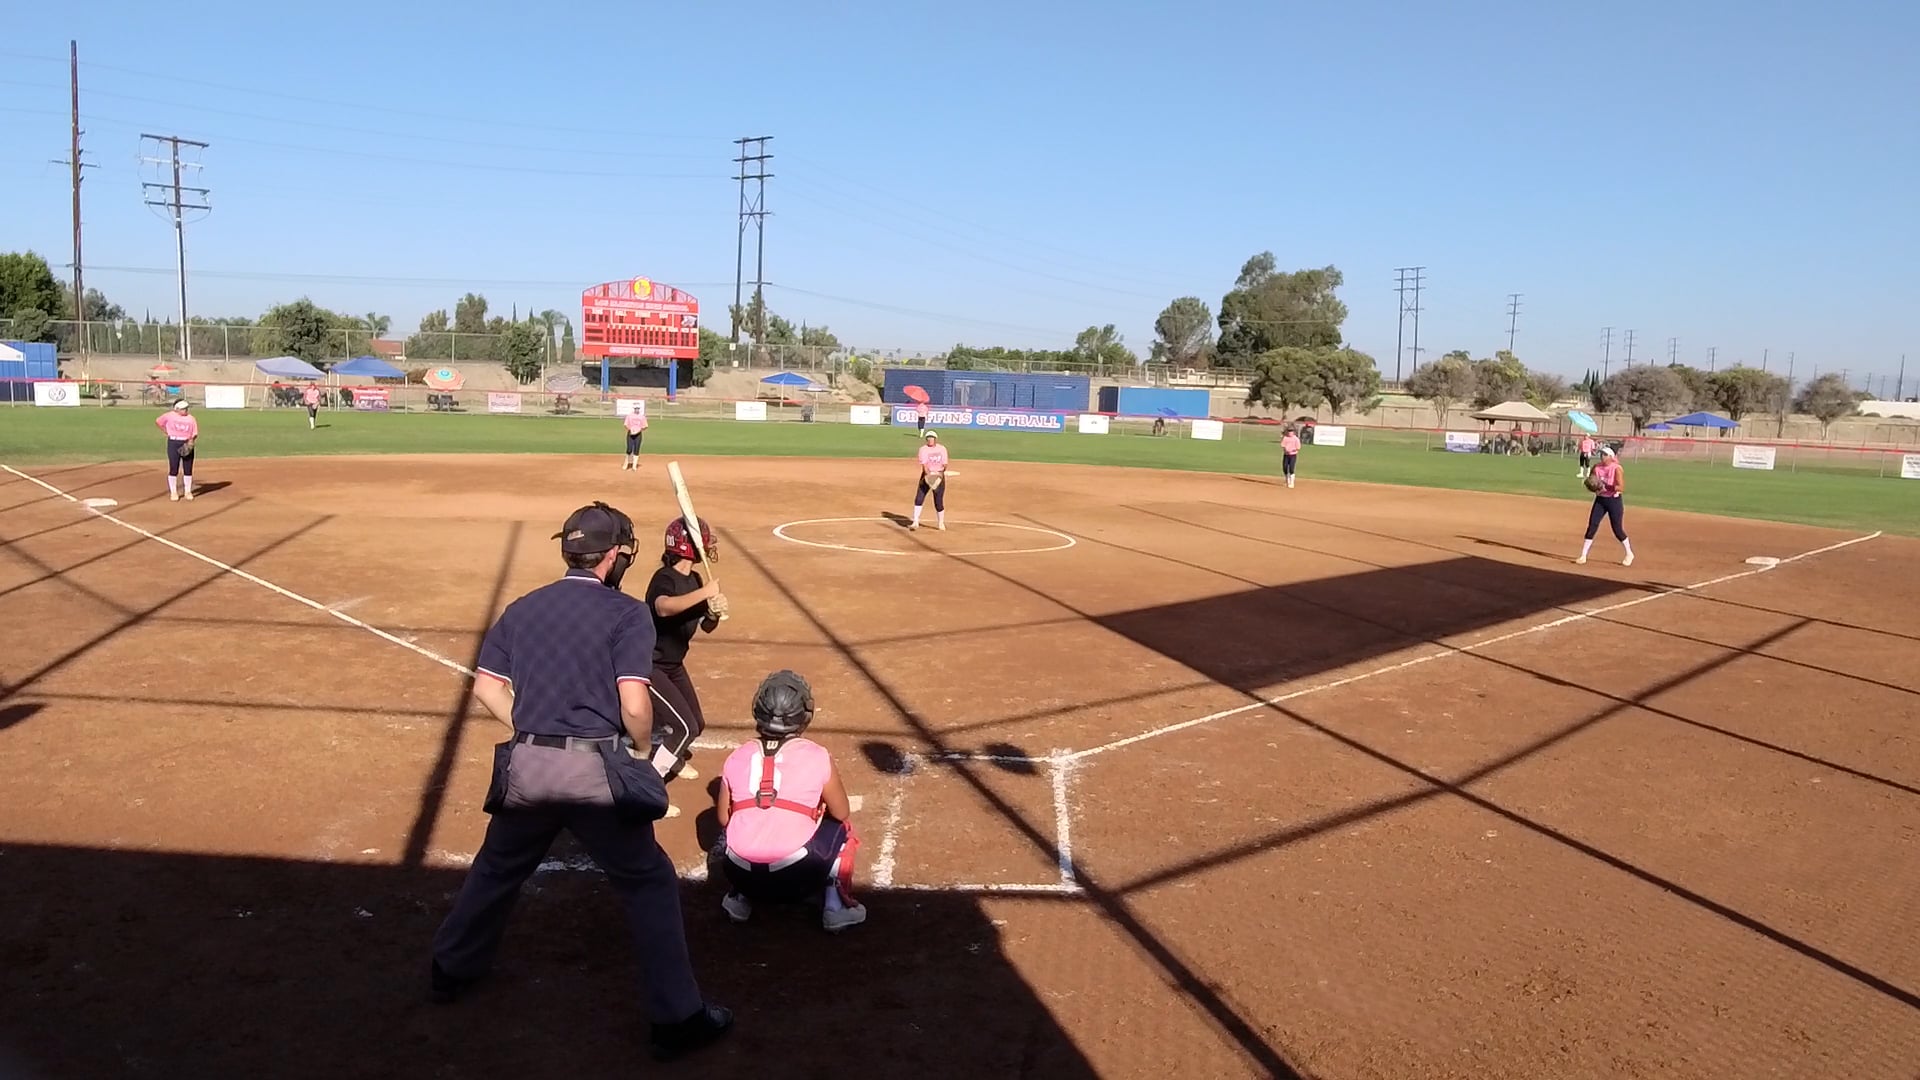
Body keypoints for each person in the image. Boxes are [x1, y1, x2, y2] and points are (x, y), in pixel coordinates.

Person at [429, 502, 732, 1062]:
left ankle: (450, 969)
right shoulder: (626, 614)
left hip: (526, 767)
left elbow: (487, 687)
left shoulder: (523, 607)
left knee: (497, 869)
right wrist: (639, 751)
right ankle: (676, 1018)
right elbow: (635, 704)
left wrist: (534, 728)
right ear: (614, 556)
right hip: (595, 773)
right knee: (648, 881)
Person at [715, 670, 867, 932]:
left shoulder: (736, 756)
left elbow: (722, 818)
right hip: (798, 877)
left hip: (740, 874)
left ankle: (739, 899)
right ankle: (836, 906)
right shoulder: (817, 755)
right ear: (804, 716)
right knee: (842, 828)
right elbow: (841, 812)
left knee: (737, 825)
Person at [644, 517, 726, 807]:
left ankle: (672, 757)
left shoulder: (695, 580)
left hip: (673, 664)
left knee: (696, 723)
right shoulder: (664, 578)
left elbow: (707, 626)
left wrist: (713, 612)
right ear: (687, 546)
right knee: (684, 728)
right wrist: (705, 594)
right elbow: (663, 608)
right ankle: (647, 788)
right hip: (649, 664)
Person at [1577, 446, 1635, 567]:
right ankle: (1583, 555)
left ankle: (1629, 553)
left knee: (1617, 529)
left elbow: (1621, 487)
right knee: (1592, 525)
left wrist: (1606, 487)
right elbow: (1592, 482)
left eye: (1604, 454)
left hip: (1614, 501)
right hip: (1600, 500)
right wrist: (1593, 487)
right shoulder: (1596, 467)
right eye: (1601, 454)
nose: (1602, 456)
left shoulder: (1616, 468)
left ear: (1610, 457)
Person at [156, 400, 199, 502]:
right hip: (173, 442)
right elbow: (158, 421)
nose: (185, 410)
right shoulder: (169, 416)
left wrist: (191, 441)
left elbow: (195, 432)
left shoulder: (191, 418)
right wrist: (166, 431)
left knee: (187, 468)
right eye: (183, 409)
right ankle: (174, 492)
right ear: (177, 409)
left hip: (186, 442)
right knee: (173, 468)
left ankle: (188, 491)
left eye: (186, 408)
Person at [909, 430, 948, 531]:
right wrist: (929, 475)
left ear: (935, 439)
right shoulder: (923, 449)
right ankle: (915, 521)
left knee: (938, 501)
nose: (930, 439)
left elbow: (945, 464)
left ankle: (941, 523)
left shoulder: (942, 449)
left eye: (932, 438)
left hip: (939, 475)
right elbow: (924, 466)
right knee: (919, 498)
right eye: (928, 438)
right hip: (927, 475)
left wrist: (940, 474)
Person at [622, 402, 648, 471]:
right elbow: (625, 425)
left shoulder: (642, 417)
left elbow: (645, 426)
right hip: (630, 434)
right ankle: (626, 463)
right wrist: (630, 430)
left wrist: (639, 430)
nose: (637, 410)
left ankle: (634, 466)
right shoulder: (629, 416)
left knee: (636, 450)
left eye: (638, 408)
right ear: (634, 409)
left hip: (638, 434)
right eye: (636, 408)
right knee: (629, 449)